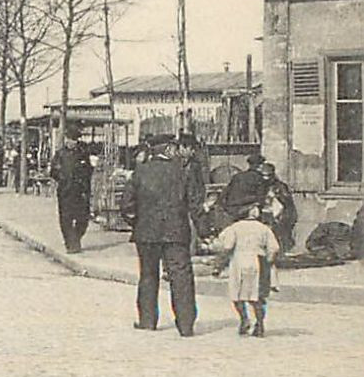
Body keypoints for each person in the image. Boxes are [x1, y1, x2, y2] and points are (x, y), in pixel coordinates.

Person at [120, 135, 203, 337]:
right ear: (167, 150)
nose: (176, 152)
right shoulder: (182, 173)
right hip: (176, 233)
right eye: (174, 148)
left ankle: (147, 321)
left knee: (148, 275)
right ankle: (186, 325)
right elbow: (195, 204)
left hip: (146, 234)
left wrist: (138, 223)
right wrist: (203, 230)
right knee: (181, 276)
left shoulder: (140, 173)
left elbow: (127, 206)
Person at [212, 203, 277, 337]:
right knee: (257, 296)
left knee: (237, 295)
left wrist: (219, 264)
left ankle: (244, 319)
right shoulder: (264, 228)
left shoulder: (234, 228)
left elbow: (226, 246)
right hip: (258, 261)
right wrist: (269, 263)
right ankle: (259, 324)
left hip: (239, 262)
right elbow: (274, 248)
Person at [49, 127, 95, 253]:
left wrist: (84, 182)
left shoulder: (83, 153)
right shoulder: (60, 154)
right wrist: (62, 178)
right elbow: (53, 171)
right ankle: (70, 243)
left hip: (81, 191)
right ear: (66, 139)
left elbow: (89, 170)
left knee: (83, 219)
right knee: (66, 219)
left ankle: (76, 238)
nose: (72, 142)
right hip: (66, 191)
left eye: (74, 139)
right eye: (70, 139)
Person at [262, 162, 299, 259]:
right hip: (266, 214)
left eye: (268, 175)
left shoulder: (280, 186)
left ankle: (281, 254)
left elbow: (286, 203)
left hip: (280, 214)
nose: (265, 178)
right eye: (263, 175)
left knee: (280, 234)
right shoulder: (260, 186)